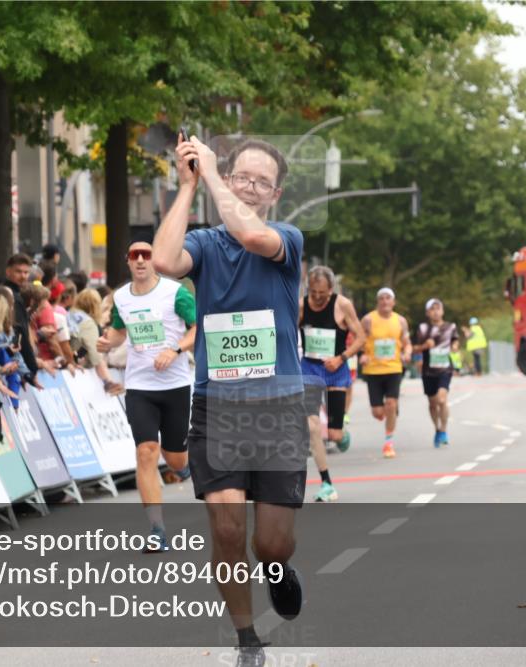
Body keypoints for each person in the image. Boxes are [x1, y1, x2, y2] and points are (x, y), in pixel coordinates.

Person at [152, 134, 306, 666]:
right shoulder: (207, 244)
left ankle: (278, 566)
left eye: (262, 181)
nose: (250, 186)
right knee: (225, 529)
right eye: (243, 175)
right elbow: (165, 261)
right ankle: (247, 639)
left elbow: (251, 234)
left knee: (271, 544)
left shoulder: (284, 237)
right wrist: (189, 185)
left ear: (275, 193)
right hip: (219, 407)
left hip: (278, 407)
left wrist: (214, 176)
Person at [98, 237, 196, 549]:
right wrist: (107, 342)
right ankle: (157, 529)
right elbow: (119, 331)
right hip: (139, 386)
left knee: (176, 459)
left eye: (147, 255)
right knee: (146, 452)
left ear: (154, 260)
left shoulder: (175, 292)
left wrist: (175, 350)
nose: (141, 260)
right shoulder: (122, 296)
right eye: (135, 256)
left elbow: (198, 328)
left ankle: (186, 467)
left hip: (175, 384)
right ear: (127, 261)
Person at [298, 265, 365, 502]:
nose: (317, 298)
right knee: (312, 426)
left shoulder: (342, 305)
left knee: (334, 435)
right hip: (309, 369)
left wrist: (341, 358)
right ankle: (326, 483)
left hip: (336, 369)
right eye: (314, 293)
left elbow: (361, 337)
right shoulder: (302, 305)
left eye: (322, 294)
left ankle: (342, 433)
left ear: (331, 290)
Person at [360, 287, 412, 458]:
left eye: (388, 298)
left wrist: (407, 352)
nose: (385, 301)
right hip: (373, 370)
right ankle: (389, 412)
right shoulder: (368, 320)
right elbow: (359, 340)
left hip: (393, 368)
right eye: (381, 298)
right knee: (378, 413)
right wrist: (363, 355)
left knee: (390, 403)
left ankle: (389, 442)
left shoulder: (401, 321)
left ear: (393, 302)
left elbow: (407, 342)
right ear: (378, 302)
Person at [411, 298, 459, 448]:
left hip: (445, 369)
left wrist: (455, 346)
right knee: (432, 403)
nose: (436, 311)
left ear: (443, 311)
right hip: (428, 371)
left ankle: (444, 430)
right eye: (432, 309)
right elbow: (414, 348)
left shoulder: (451, 327)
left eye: (438, 308)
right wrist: (425, 346)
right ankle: (437, 429)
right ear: (427, 313)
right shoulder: (423, 328)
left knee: (442, 400)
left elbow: (455, 341)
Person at [0, 254, 42, 385]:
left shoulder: (2, 291)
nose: (23, 276)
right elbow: (22, 333)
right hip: (9, 360)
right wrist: (32, 370)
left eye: (26, 272)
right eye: (18, 271)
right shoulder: (14, 297)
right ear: (8, 271)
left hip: (5, 356)